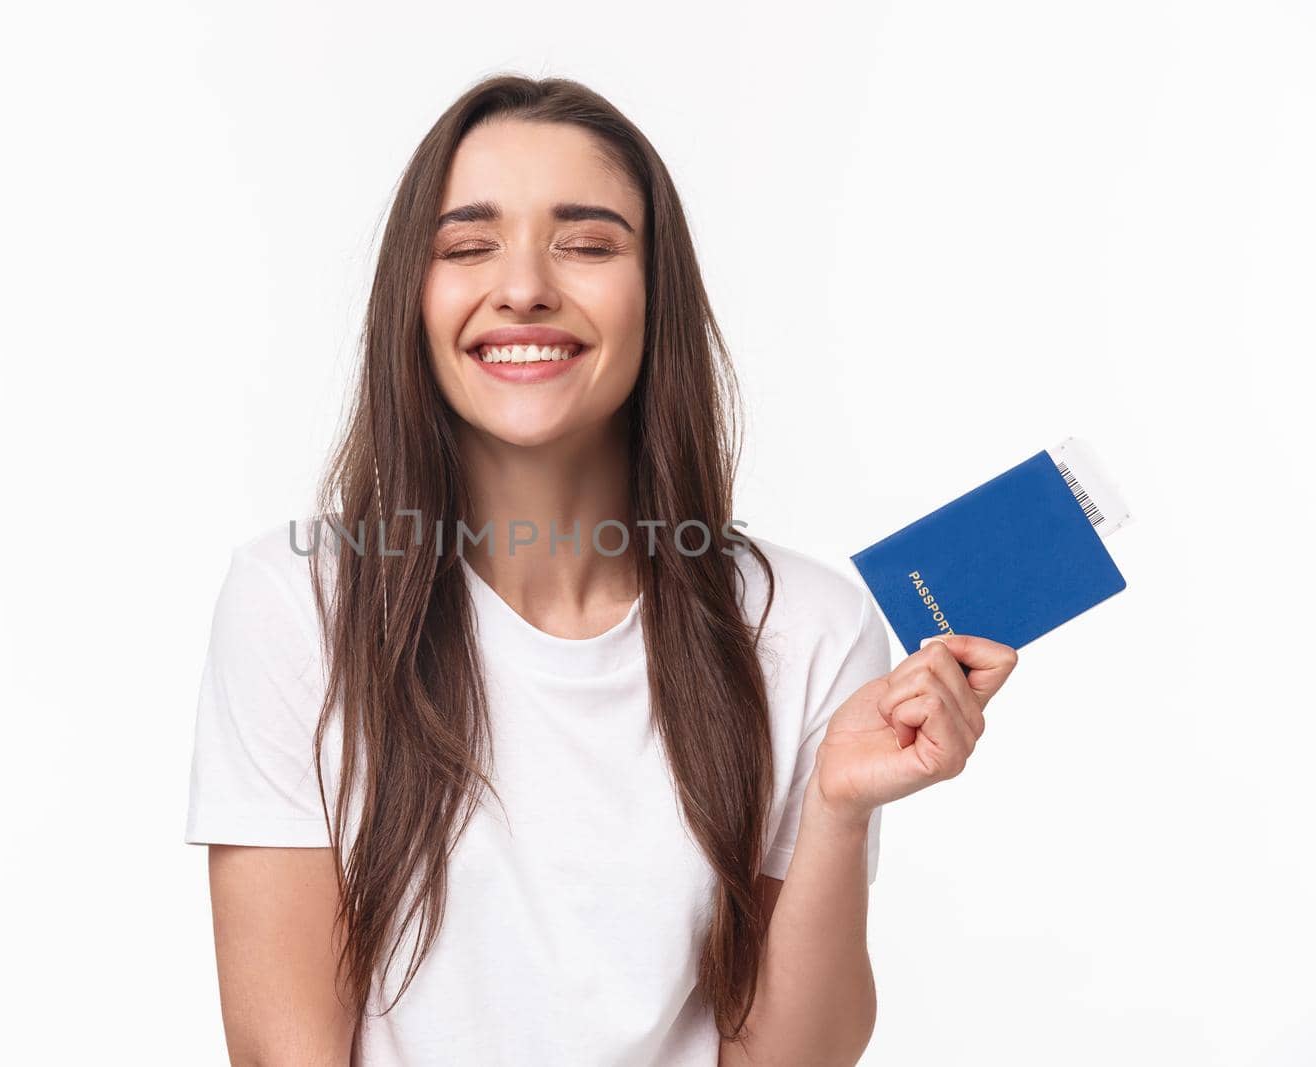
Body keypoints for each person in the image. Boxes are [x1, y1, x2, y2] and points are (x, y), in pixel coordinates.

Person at [183, 74, 1018, 1067]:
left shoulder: (808, 625)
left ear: (655, 295)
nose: (525, 284)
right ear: (410, 297)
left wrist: (836, 809)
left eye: (585, 243)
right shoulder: (296, 601)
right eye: (466, 245)